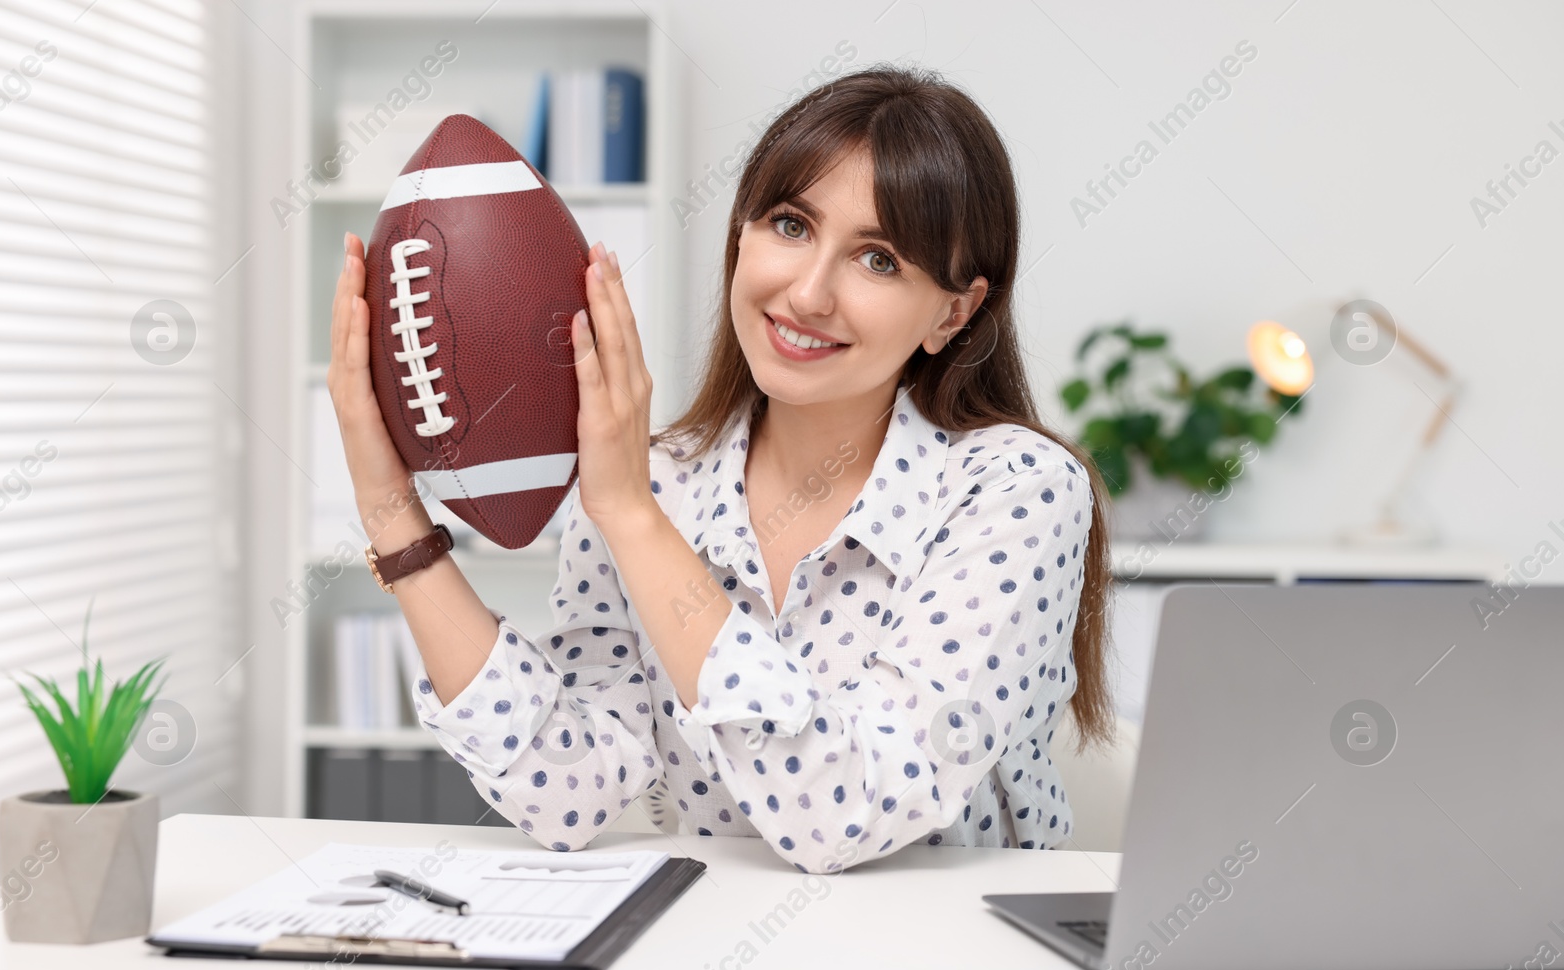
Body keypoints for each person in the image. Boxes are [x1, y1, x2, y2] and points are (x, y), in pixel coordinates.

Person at [327, 63, 1113, 875]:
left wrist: (632, 517)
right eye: (790, 224)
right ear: (742, 233)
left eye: (878, 260)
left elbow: (846, 809)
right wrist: (393, 513)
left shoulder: (1017, 490)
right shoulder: (653, 478)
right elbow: (568, 789)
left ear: (954, 312)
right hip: (714, 966)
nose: (807, 293)